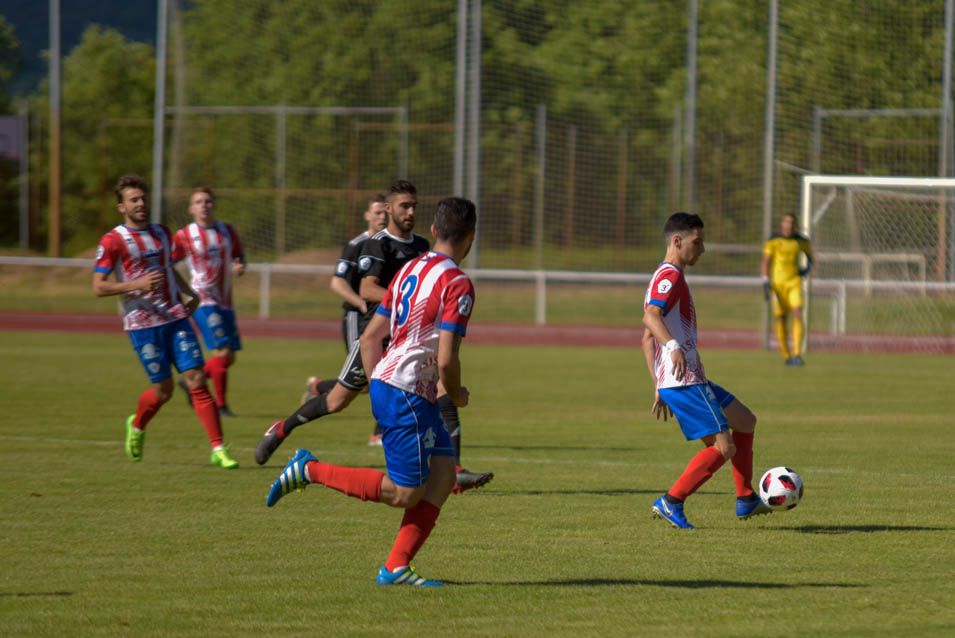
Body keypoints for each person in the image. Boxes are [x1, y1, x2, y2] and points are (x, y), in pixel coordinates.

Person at [265, 196, 479, 587]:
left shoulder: (411, 267)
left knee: (444, 474)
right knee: (404, 493)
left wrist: (381, 379)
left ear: (433, 231)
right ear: (471, 237)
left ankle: (395, 568)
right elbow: (447, 357)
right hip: (409, 392)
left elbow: (371, 336)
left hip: (399, 385)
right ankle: (308, 470)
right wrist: (456, 393)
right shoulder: (458, 283)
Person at [255, 181, 493, 495]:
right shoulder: (376, 244)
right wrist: (415, 305)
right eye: (403, 206)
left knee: (441, 391)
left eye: (414, 206)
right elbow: (367, 289)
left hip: (409, 340)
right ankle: (283, 428)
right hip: (379, 336)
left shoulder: (423, 247)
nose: (409, 212)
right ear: (388, 208)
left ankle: (453, 470)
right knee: (337, 401)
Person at [93, 175, 239, 469]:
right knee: (164, 391)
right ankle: (137, 424)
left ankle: (218, 448)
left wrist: (189, 293)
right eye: (134, 200)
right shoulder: (113, 241)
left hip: (175, 317)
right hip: (142, 326)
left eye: (143, 198)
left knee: (196, 378)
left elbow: (169, 269)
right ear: (122, 207)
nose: (141, 204)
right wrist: (137, 284)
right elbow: (99, 286)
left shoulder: (161, 233)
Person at [641, 212, 768, 529]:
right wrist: (671, 348)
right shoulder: (669, 276)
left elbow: (646, 337)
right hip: (685, 382)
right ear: (677, 240)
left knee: (745, 421)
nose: (703, 249)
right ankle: (671, 502)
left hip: (683, 379)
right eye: (698, 242)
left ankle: (746, 499)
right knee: (724, 447)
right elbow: (650, 318)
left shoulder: (667, 275)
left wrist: (658, 382)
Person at [300, 193, 389, 446]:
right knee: (368, 378)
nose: (382, 217)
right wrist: (361, 303)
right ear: (368, 215)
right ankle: (379, 432)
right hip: (357, 318)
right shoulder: (356, 245)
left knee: (378, 376)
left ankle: (318, 387)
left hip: (383, 319)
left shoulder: (390, 244)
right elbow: (337, 281)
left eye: (385, 212)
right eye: (377, 212)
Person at [172, 187, 246, 417]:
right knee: (222, 352)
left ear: (214, 204)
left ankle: (195, 379)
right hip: (203, 299)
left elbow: (238, 256)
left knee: (229, 357)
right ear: (191, 208)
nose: (204, 205)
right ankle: (221, 405)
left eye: (207, 201)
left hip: (225, 300)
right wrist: (181, 291)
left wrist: (239, 265)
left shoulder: (227, 232)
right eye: (198, 202)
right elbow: (169, 263)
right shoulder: (184, 235)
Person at [761, 213, 813, 366]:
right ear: (781, 224)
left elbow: (810, 257)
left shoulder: (801, 241)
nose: (788, 225)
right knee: (781, 318)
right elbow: (765, 261)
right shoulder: (773, 240)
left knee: (797, 313)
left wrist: (807, 269)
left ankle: (797, 354)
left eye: (791, 222)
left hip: (794, 283)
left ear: (795, 225)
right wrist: (765, 281)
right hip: (777, 286)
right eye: (786, 222)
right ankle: (786, 356)